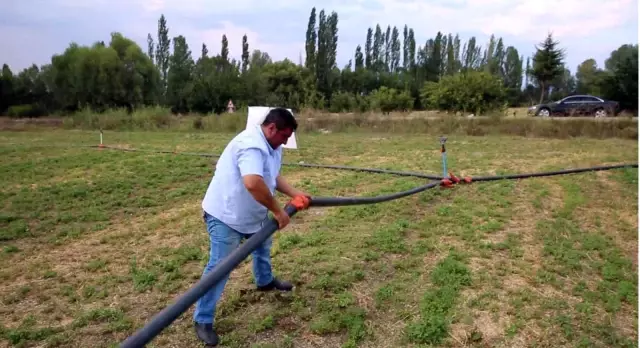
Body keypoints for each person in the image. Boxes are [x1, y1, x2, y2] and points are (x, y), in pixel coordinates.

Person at [193, 108, 311, 346]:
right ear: (271, 128)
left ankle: (264, 281)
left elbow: (272, 176)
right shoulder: (250, 145)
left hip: (251, 214)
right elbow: (253, 182)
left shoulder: (273, 146)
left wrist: (294, 193)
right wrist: (279, 211)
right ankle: (202, 319)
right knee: (220, 267)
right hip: (226, 215)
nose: (286, 141)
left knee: (262, 248)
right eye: (284, 136)